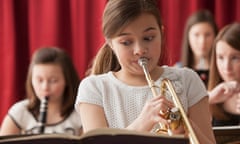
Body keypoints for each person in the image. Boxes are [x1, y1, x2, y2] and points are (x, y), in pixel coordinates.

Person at [75, 0, 216, 143]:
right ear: (110, 43)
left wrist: (186, 128)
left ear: (161, 33)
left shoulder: (188, 80)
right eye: (126, 42)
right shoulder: (93, 88)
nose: (140, 50)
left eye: (148, 38)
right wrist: (143, 123)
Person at [0, 47, 82, 136]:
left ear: (67, 80)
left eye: (53, 80)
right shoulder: (20, 111)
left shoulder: (80, 113)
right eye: (39, 80)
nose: (45, 87)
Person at [208, 22, 240, 126]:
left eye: (235, 58)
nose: (226, 67)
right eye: (221, 57)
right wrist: (208, 99)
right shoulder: (211, 96)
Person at [176, 9, 218, 87]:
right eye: (196, 35)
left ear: (215, 36)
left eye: (207, 35)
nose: (202, 41)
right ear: (188, 37)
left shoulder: (224, 70)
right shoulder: (177, 71)